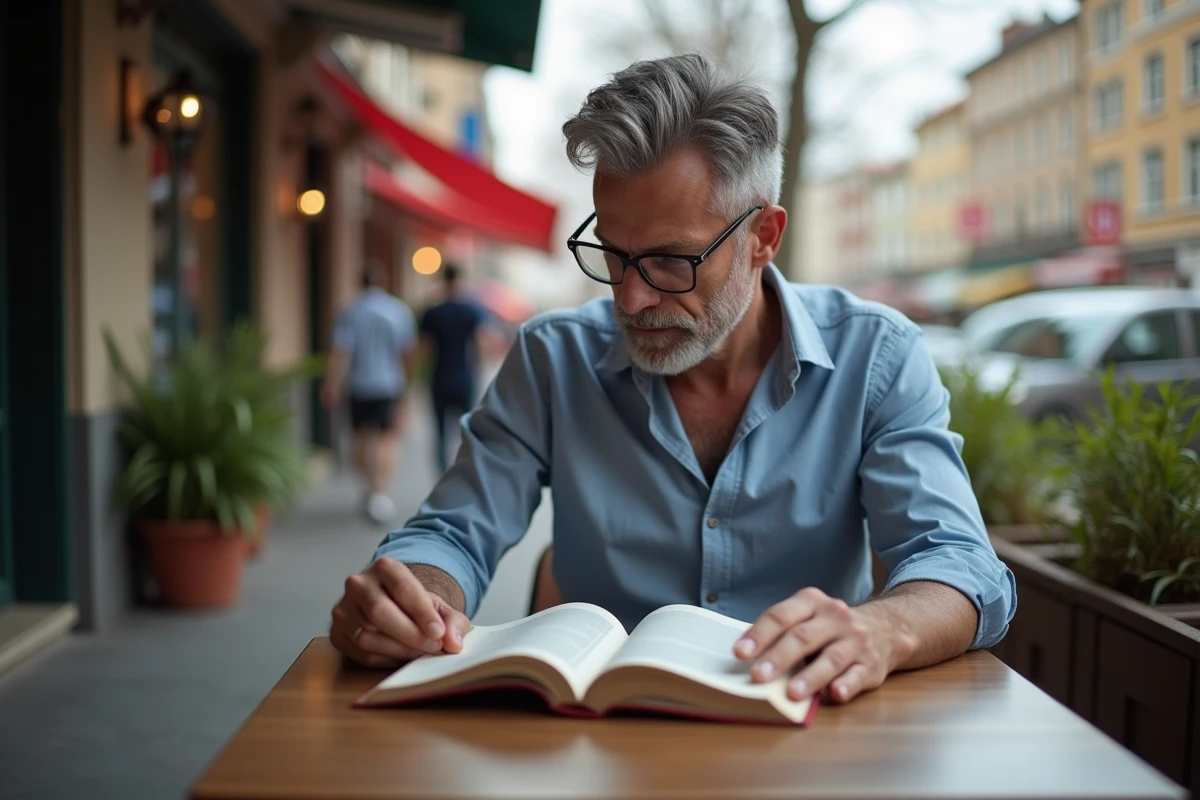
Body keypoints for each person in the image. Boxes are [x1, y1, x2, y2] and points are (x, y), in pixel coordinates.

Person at [330, 54, 1016, 706]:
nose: (630, 299)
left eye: (670, 262)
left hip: (806, 729)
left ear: (763, 237)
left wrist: (882, 629)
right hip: (601, 737)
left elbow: (957, 561)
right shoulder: (552, 358)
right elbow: (453, 532)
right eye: (613, 255)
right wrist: (414, 598)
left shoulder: (877, 356)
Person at [321, 264, 417, 524]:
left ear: (360, 282)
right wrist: (408, 385)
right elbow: (407, 352)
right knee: (388, 439)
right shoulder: (398, 310)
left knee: (359, 439)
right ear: (383, 282)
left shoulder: (350, 311)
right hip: (389, 384)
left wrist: (331, 382)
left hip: (358, 386)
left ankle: (370, 487)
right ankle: (380, 492)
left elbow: (341, 351)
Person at [417, 264, 490, 472]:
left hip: (439, 378)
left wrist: (417, 377)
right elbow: (483, 344)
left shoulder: (433, 312)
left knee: (440, 431)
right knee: (466, 428)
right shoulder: (471, 310)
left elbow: (423, 349)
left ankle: (442, 472)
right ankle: (464, 469)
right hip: (464, 378)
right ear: (460, 280)